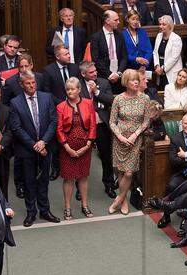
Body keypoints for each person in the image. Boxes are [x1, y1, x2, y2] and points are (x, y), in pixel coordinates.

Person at [9, 71, 60, 227]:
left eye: (33, 83)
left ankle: (45, 211)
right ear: (21, 85)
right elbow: (16, 128)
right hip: (26, 150)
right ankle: (31, 213)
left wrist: (43, 142)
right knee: (29, 182)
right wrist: (34, 145)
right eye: (28, 83)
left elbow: (53, 121)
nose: (31, 86)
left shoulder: (47, 97)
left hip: (45, 147)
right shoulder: (15, 102)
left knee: (43, 181)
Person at [109, 69, 153, 215]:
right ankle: (124, 201)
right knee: (120, 171)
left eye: (137, 80)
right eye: (132, 80)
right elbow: (112, 122)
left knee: (128, 173)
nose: (136, 82)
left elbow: (146, 121)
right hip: (119, 139)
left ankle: (118, 200)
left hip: (135, 139)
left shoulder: (145, 98)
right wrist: (120, 137)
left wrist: (135, 135)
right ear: (125, 83)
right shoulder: (118, 99)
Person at [56, 78, 97, 220]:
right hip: (67, 147)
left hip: (85, 146)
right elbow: (59, 129)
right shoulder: (61, 106)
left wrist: (88, 144)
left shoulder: (88, 103)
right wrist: (67, 148)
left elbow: (93, 125)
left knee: (83, 177)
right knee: (68, 178)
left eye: (72, 89)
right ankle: (67, 207)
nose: (70, 91)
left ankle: (84, 205)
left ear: (79, 89)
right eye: (67, 89)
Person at [79, 61, 117, 199]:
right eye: (91, 72)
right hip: (84, 127)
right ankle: (80, 188)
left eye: (95, 70)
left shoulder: (103, 82)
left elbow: (110, 100)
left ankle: (109, 184)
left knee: (106, 157)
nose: (95, 73)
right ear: (83, 74)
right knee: (83, 157)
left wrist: (96, 91)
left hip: (101, 126)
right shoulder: (78, 84)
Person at [89, 10, 128, 93]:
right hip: (103, 78)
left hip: (119, 78)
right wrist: (109, 74)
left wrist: (118, 73)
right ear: (107, 21)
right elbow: (96, 59)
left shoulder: (120, 35)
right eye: (116, 20)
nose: (119, 22)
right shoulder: (96, 37)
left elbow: (124, 57)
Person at [152, 15, 183, 89]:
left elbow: (174, 58)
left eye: (163, 24)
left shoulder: (176, 38)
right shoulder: (159, 36)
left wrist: (162, 69)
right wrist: (156, 66)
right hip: (159, 72)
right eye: (160, 24)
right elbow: (155, 52)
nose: (161, 26)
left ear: (170, 26)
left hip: (171, 72)